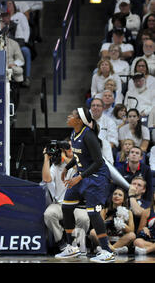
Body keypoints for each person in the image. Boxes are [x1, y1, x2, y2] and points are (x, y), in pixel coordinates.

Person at [54, 107, 115, 263]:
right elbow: (78, 155)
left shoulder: (89, 136)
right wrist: (67, 168)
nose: (68, 116)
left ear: (79, 120)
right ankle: (71, 246)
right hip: (81, 176)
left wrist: (79, 177)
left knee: (93, 213)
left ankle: (107, 251)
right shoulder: (74, 133)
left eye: (72, 115)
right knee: (66, 207)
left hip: (95, 177)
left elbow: (99, 162)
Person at [41, 140, 90, 254]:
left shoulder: (83, 161)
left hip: (78, 205)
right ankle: (61, 242)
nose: (70, 149)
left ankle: (76, 244)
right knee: (48, 214)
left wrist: (64, 156)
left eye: (72, 147)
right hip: (60, 204)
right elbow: (46, 179)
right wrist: (46, 159)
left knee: (84, 219)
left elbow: (78, 167)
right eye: (67, 147)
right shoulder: (57, 165)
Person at [89, 187, 135, 254]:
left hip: (120, 239)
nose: (116, 196)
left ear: (123, 199)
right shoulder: (104, 211)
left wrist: (122, 224)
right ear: (112, 197)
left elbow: (131, 230)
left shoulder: (128, 212)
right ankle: (114, 250)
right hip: (106, 238)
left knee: (132, 235)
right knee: (93, 231)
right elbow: (99, 227)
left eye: (120, 195)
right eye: (115, 194)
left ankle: (107, 250)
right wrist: (108, 221)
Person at [133, 191, 155, 255]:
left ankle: (146, 251)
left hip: (149, 246)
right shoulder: (147, 211)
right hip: (151, 241)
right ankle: (152, 249)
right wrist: (144, 228)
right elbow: (139, 231)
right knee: (137, 242)